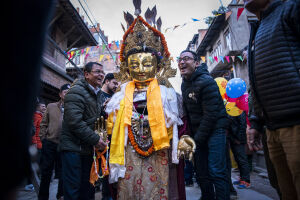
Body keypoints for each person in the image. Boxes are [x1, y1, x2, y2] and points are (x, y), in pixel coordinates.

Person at [104, 7, 195, 200]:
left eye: (147, 64)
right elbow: (110, 127)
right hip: (128, 152)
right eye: (135, 65)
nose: (141, 70)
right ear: (127, 68)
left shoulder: (168, 95)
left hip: (160, 151)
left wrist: (185, 139)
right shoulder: (119, 97)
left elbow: (182, 124)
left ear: (157, 66)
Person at [245, 0, 300, 199]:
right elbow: (256, 83)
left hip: (295, 123)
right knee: (285, 190)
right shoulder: (258, 27)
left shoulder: (291, 8)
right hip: (272, 128)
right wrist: (255, 123)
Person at [178, 50, 229, 200]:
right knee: (201, 172)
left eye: (186, 59)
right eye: (180, 59)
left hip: (215, 130)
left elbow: (211, 115)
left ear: (196, 63)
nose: (182, 62)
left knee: (216, 171)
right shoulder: (184, 84)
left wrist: (197, 139)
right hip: (198, 133)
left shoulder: (207, 81)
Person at [59, 62, 107, 200]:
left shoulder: (96, 93)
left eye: (102, 72)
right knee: (73, 190)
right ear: (86, 74)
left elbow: (94, 119)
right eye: (97, 72)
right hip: (73, 149)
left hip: (86, 148)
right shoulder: (76, 91)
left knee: (87, 188)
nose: (101, 75)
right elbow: (75, 122)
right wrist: (96, 139)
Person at [38, 83, 70, 200]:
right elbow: (43, 123)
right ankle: (43, 197)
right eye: (66, 92)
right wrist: (43, 138)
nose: (68, 94)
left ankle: (60, 195)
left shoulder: (73, 108)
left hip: (65, 145)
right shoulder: (51, 106)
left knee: (63, 172)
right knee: (46, 172)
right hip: (50, 143)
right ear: (60, 94)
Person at [227, 112, 251, 190]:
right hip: (233, 138)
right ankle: (242, 179)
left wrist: (239, 138)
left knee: (242, 159)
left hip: (238, 139)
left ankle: (246, 181)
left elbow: (242, 124)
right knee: (238, 159)